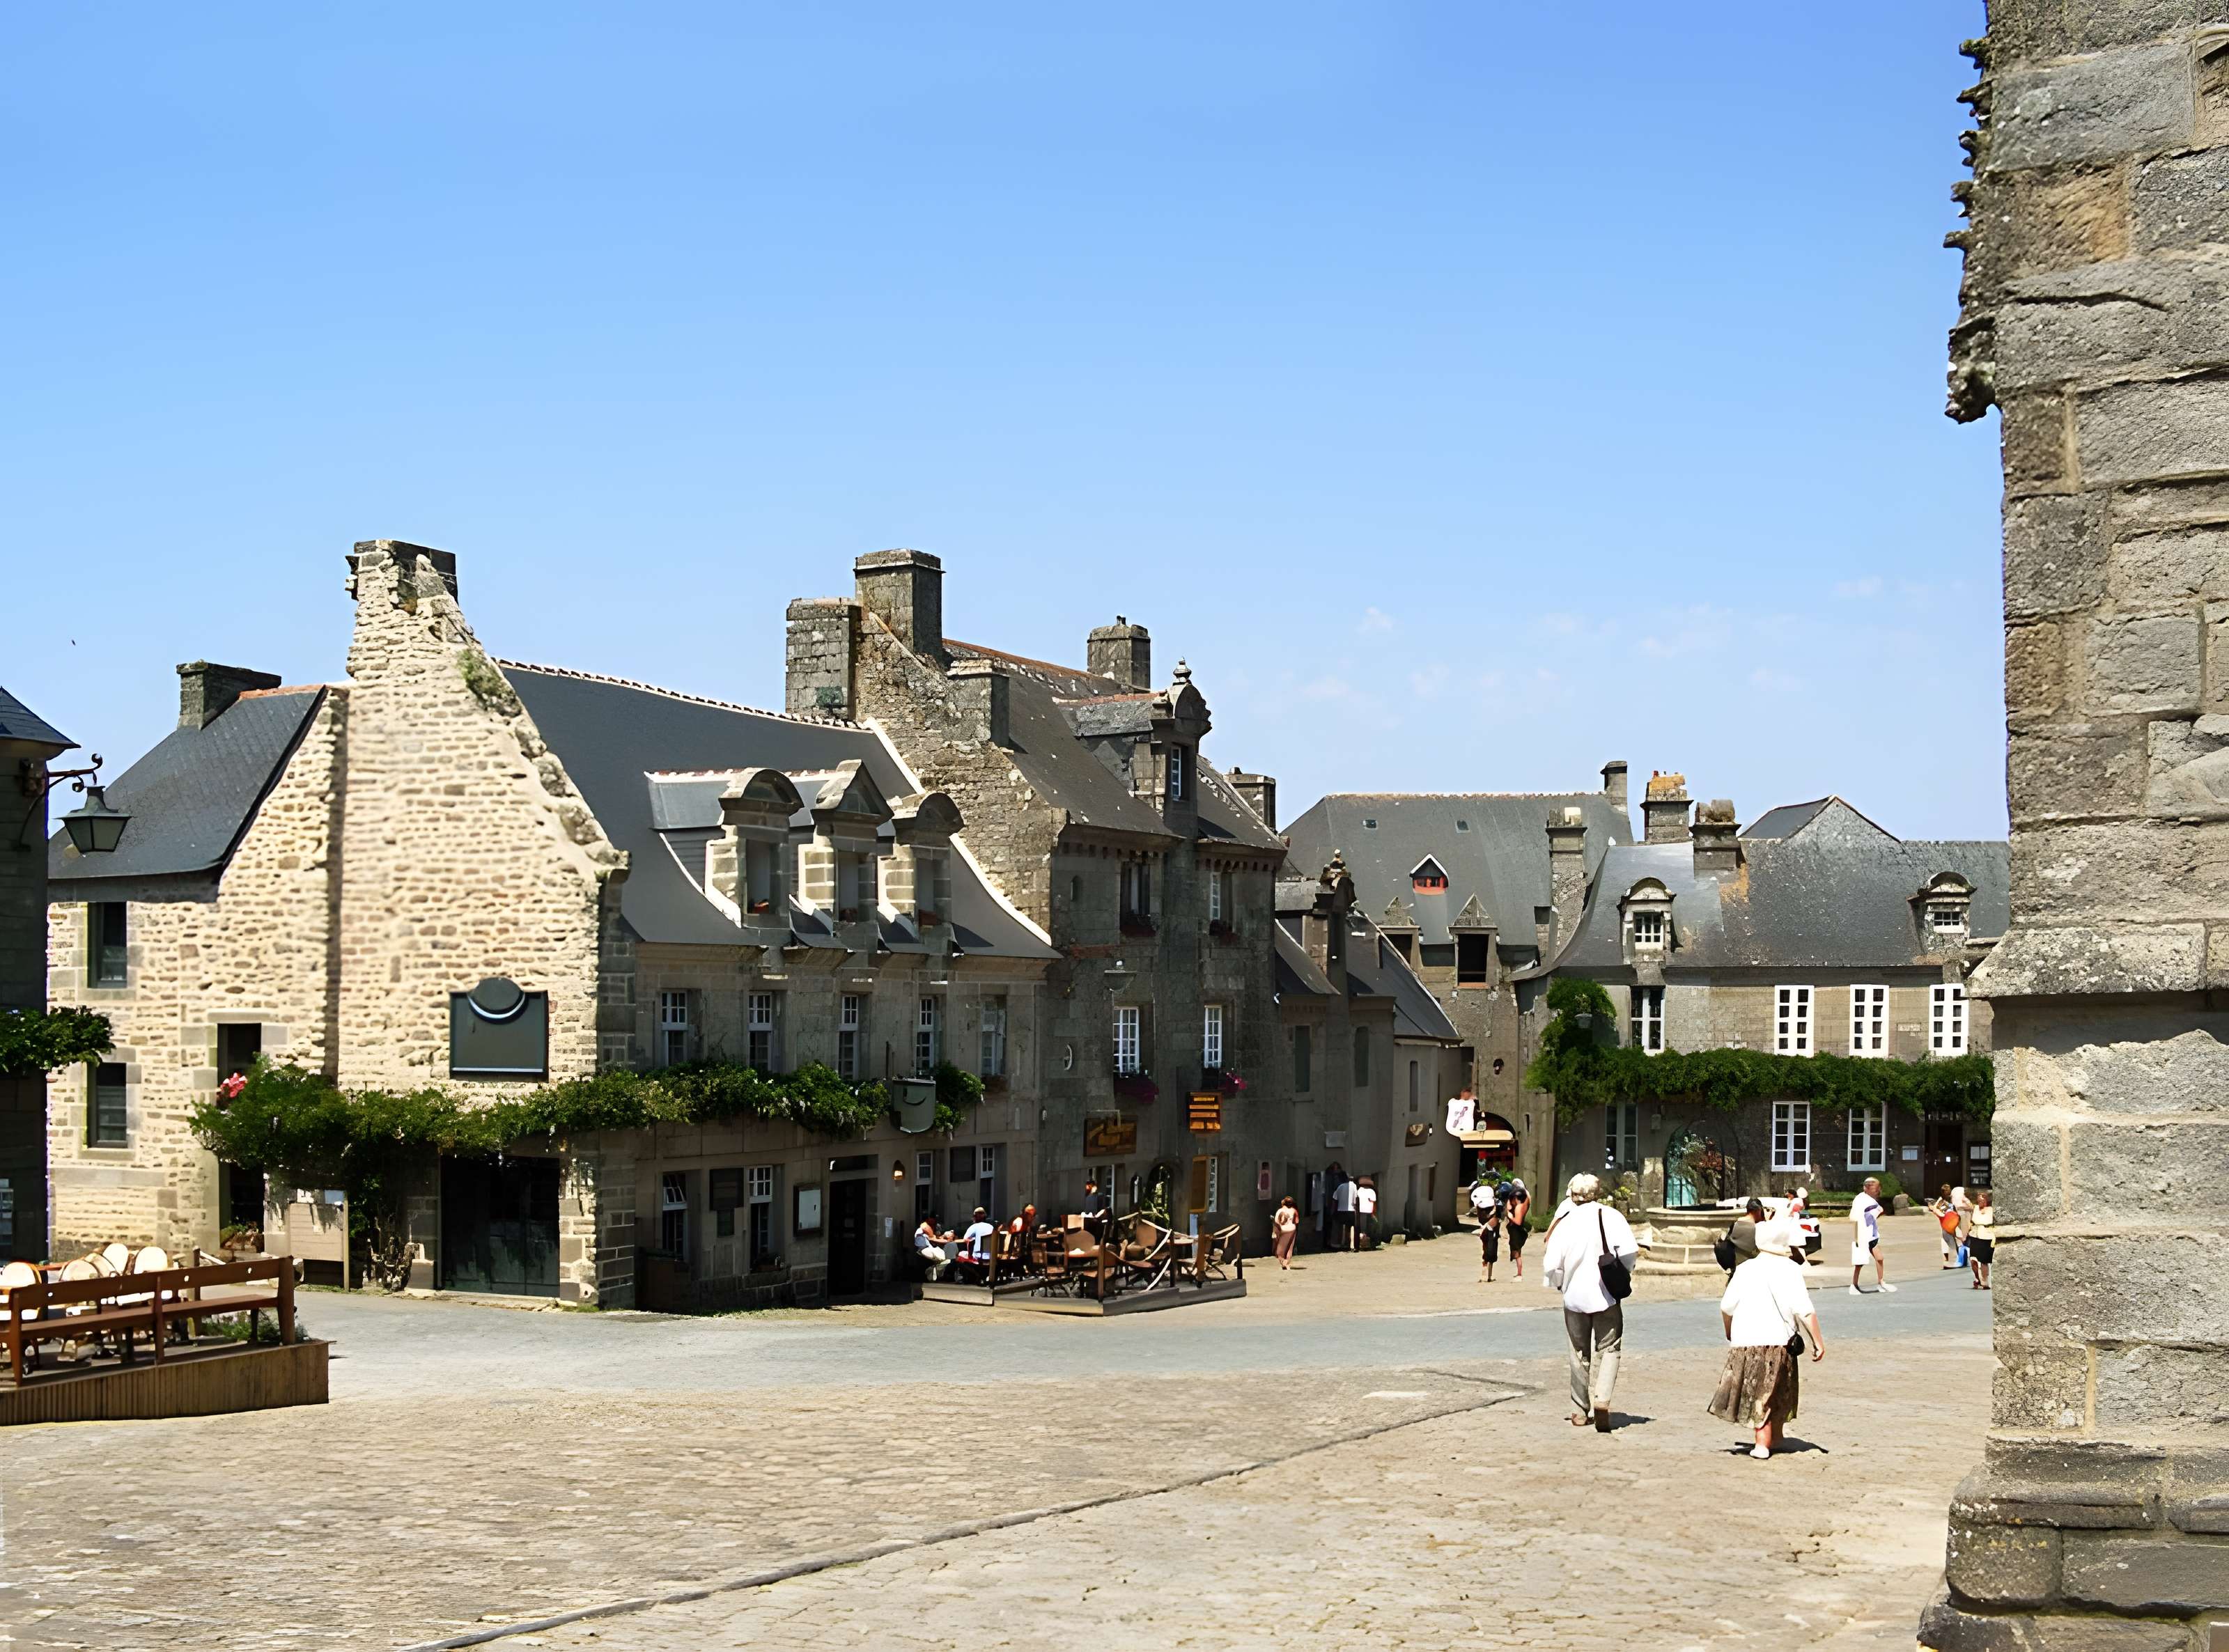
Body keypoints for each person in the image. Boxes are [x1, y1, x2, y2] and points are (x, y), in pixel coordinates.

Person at [1710, 1218, 1824, 1459]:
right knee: (1773, 1390)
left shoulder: (1744, 1269)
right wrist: (1818, 1341)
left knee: (1761, 1389)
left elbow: (1726, 1306)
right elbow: (1804, 1309)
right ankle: (1762, 1443)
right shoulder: (1790, 1269)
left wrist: (1729, 1331)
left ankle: (1775, 1436)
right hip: (1778, 1342)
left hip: (1746, 1340)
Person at [1540, 1173, 1640, 1432]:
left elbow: (1551, 1264)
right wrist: (1622, 1274)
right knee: (1609, 1347)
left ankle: (1579, 1410)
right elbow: (1629, 1253)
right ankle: (1602, 1397)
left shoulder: (1565, 1222)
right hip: (1606, 1295)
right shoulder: (1611, 1216)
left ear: (1574, 1195)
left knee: (1578, 1351)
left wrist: (1560, 1283)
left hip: (1574, 1297)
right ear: (1597, 1193)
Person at [1849, 1177, 1895, 1295]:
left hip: (1872, 1235)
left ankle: (1881, 1282)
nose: (1878, 1191)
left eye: (1878, 1188)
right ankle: (1854, 1285)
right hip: (1862, 1234)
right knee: (1860, 1262)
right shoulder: (1861, 1199)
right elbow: (1858, 1217)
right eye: (1875, 1189)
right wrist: (1877, 1211)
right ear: (1867, 1188)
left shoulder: (1871, 1200)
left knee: (1879, 1258)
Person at [1726, 1198, 1768, 1270]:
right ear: (1758, 1210)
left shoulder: (1736, 1223)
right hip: (1752, 1266)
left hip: (1737, 1264)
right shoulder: (1756, 1227)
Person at [1504, 1178, 1532, 1279]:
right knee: (1516, 1252)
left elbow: (1518, 1221)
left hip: (1517, 1230)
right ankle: (1519, 1272)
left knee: (1517, 1253)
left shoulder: (1519, 1207)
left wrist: (1510, 1216)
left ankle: (1519, 1273)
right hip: (1516, 1230)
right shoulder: (1522, 1201)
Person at [959, 1206, 997, 1281]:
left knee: (961, 1255)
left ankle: (975, 1276)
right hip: (991, 1256)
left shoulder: (974, 1227)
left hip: (978, 1257)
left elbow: (965, 1239)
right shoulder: (991, 1227)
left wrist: (973, 1239)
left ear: (974, 1217)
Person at [1929, 1185, 1962, 1269]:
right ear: (1943, 1193)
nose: (1948, 1193)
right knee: (1948, 1241)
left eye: (1949, 1191)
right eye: (1946, 1192)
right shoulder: (1942, 1200)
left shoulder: (1950, 1200)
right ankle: (1948, 1261)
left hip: (1952, 1222)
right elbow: (1936, 1210)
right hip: (1946, 1223)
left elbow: (1955, 1210)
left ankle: (1956, 1260)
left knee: (1953, 1241)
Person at [1967, 1190, 1995, 1290]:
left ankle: (1984, 1282)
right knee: (1973, 1259)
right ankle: (1978, 1278)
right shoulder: (1975, 1209)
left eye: (1982, 1200)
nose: (1980, 1202)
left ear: (1987, 1200)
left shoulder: (1992, 1210)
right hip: (1975, 1235)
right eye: (1978, 1200)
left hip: (1987, 1237)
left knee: (1983, 1261)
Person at [912, 1217, 955, 1281]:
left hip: (927, 1249)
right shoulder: (924, 1229)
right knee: (943, 1259)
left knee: (943, 1260)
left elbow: (934, 1239)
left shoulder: (927, 1230)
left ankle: (933, 1275)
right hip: (924, 1250)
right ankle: (931, 1274)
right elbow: (933, 1239)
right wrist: (946, 1241)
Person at [1477, 1187, 1503, 1284]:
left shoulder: (1494, 1205)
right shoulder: (1484, 1206)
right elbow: (1484, 1219)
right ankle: (1485, 1276)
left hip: (1491, 1232)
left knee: (1490, 1255)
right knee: (1488, 1254)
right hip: (1488, 1232)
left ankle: (1488, 1276)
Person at [1272, 1195, 1300, 1270]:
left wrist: (1275, 1232)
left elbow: (1276, 1222)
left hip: (1282, 1230)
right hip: (1292, 1230)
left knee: (1279, 1249)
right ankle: (1286, 1263)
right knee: (1289, 1248)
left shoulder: (1279, 1211)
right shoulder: (1294, 1210)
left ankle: (1283, 1262)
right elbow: (1297, 1222)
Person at [1354, 1176, 1379, 1247]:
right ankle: (1368, 1243)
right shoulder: (1371, 1191)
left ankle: (1361, 1242)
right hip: (1369, 1211)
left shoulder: (1358, 1191)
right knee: (1369, 1228)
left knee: (1361, 1228)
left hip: (1360, 1211)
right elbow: (1374, 1203)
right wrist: (1374, 1213)